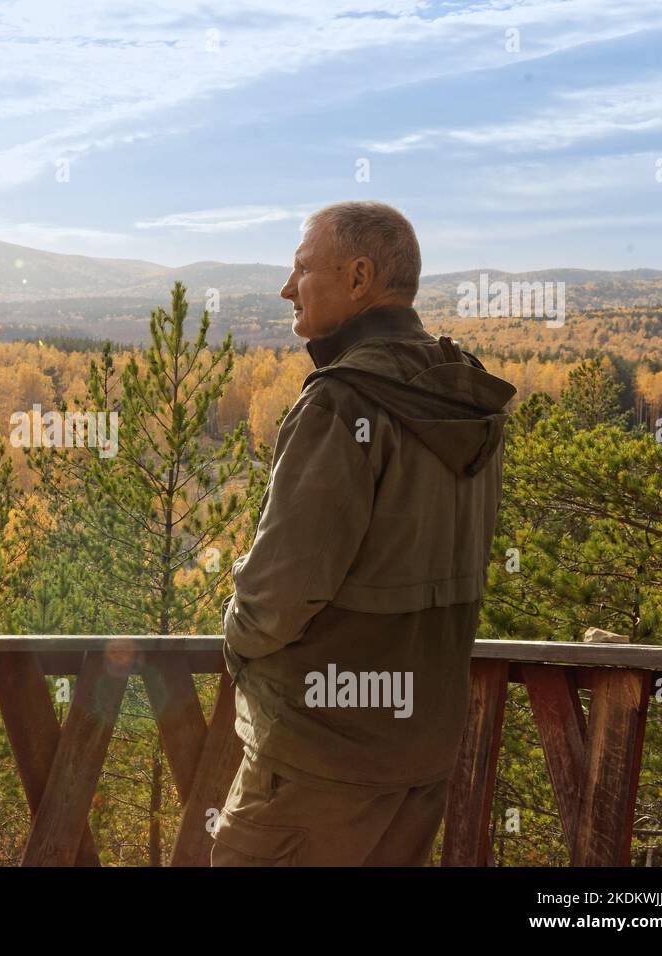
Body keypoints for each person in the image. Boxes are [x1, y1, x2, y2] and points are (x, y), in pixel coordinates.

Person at [213, 201, 516, 866]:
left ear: (358, 278)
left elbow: (276, 597)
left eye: (300, 270)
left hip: (317, 766)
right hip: (417, 762)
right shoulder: (465, 402)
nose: (287, 289)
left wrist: (235, 634)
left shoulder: (343, 402)